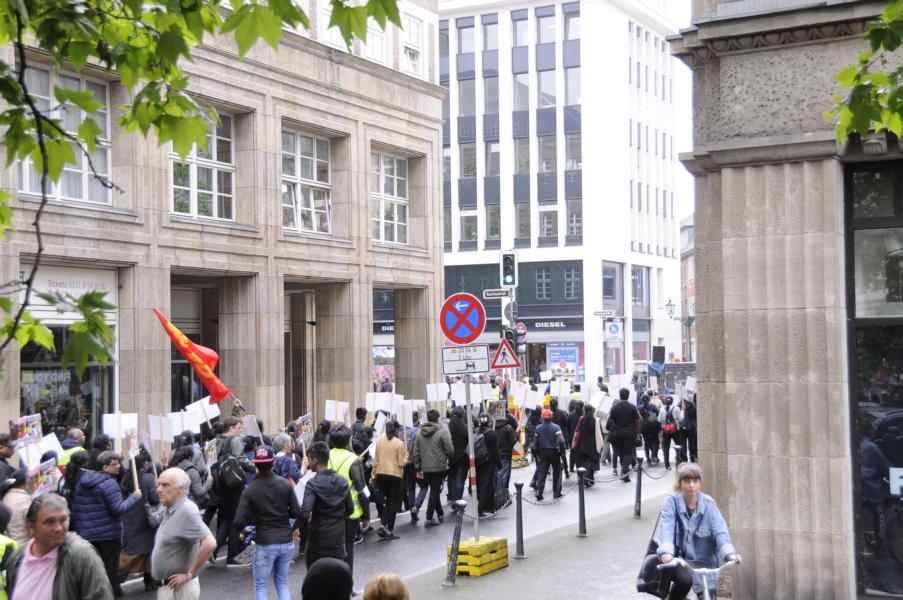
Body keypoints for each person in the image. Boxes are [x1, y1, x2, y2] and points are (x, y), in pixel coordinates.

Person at [6, 493, 112, 600]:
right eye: (49, 522)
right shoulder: (17, 558)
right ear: (31, 528)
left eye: (63, 520)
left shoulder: (82, 555)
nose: (58, 528)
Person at [657, 463, 740, 600]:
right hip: (679, 560)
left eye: (695, 481)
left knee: (709, 596)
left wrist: (729, 553)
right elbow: (667, 529)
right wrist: (666, 552)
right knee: (685, 581)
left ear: (700, 482)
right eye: (687, 481)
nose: (691, 485)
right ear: (680, 483)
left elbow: (720, 531)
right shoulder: (671, 503)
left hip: (705, 562)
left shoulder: (709, 504)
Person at [71, 450, 142, 596]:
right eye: (114, 464)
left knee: (93, 571)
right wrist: (134, 497)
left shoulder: (82, 482)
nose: (118, 466)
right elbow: (119, 508)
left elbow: (76, 509)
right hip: (108, 536)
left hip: (87, 536)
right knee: (110, 570)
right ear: (105, 467)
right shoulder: (109, 483)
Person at [234, 445, 301, 600]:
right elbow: (297, 512)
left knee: (261, 586)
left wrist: (248, 532)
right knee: (282, 582)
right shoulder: (285, 484)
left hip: (264, 542)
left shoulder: (250, 489)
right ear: (274, 463)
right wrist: (291, 527)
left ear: (255, 464)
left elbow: (238, 520)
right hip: (286, 540)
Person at [151, 468, 217, 600]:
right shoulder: (170, 508)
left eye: (165, 485)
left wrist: (189, 575)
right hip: (169, 588)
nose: (159, 489)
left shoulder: (187, 510)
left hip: (180, 590)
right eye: (158, 484)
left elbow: (210, 543)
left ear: (180, 488)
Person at [327, 426, 370, 596]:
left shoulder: (326, 456)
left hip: (329, 511)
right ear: (348, 441)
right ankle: (347, 587)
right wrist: (366, 514)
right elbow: (361, 488)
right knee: (348, 550)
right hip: (350, 513)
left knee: (331, 550)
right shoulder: (353, 460)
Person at [299, 442, 354, 568]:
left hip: (317, 541)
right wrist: (337, 517)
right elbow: (350, 509)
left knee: (315, 576)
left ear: (315, 460)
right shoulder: (342, 481)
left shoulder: (312, 484)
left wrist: (294, 528)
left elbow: (305, 513)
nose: (308, 462)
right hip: (338, 540)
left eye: (309, 459)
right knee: (336, 576)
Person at [213, 416, 257, 567]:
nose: (240, 432)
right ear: (231, 428)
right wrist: (255, 468)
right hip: (235, 484)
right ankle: (234, 556)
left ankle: (213, 549)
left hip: (222, 484)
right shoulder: (235, 440)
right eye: (239, 428)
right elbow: (241, 459)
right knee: (238, 519)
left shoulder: (216, 440)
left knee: (227, 519)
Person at [120, 452, 161, 592]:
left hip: (129, 518)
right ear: (143, 464)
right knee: (145, 550)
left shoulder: (126, 478)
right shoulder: (148, 478)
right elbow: (155, 498)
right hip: (144, 519)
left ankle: (117, 581)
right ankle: (149, 581)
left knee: (134, 550)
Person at [412, 409, 453, 527]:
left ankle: (440, 513)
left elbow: (416, 453)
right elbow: (450, 449)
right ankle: (429, 518)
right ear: (438, 418)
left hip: (425, 467)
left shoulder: (420, 433)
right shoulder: (442, 432)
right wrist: (449, 459)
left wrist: (418, 467)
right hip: (439, 466)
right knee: (434, 490)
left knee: (434, 489)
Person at [370, 421, 408, 541]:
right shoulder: (399, 443)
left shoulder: (379, 441)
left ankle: (382, 526)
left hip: (381, 475)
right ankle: (389, 530)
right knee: (393, 503)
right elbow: (401, 463)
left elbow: (375, 461)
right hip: (394, 476)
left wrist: (373, 477)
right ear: (396, 430)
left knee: (387, 502)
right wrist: (406, 457)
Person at [609, 388, 641, 482]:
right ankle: (624, 471)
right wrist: (637, 433)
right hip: (630, 433)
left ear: (620, 396)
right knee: (627, 453)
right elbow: (637, 421)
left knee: (621, 453)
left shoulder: (614, 408)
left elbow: (611, 421)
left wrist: (614, 431)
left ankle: (624, 472)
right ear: (628, 395)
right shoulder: (632, 407)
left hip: (618, 433)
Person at [533, 409, 565, 501]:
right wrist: (562, 452)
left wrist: (537, 453)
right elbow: (561, 441)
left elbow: (535, 442)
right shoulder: (556, 427)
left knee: (542, 472)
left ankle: (539, 492)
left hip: (542, 452)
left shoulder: (538, 428)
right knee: (557, 472)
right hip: (554, 452)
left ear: (542, 417)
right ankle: (556, 492)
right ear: (551, 417)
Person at [574, 404, 603, 486]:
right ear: (593, 411)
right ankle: (585, 480)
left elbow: (577, 431)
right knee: (590, 464)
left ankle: (589, 479)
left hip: (582, 445)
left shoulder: (581, 419)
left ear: (584, 410)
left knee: (584, 464)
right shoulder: (596, 421)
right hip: (593, 446)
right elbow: (600, 433)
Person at [475, 414, 498, 517]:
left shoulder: (475, 432)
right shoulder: (492, 434)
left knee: (480, 484)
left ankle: (490, 506)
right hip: (489, 463)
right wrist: (500, 466)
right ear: (488, 422)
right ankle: (481, 509)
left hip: (477, 462)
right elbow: (495, 451)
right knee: (486, 486)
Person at [0, 471, 30, 545]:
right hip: (22, 545)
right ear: (26, 483)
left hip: (8, 543)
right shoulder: (26, 500)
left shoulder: (5, 496)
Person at [446, 407, 469, 503]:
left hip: (451, 455)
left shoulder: (447, 427)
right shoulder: (465, 428)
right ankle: (458, 499)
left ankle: (451, 496)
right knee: (460, 479)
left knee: (452, 478)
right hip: (462, 456)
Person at [659, 396, 684, 471]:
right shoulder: (676, 408)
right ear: (672, 401)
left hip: (665, 431)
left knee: (666, 448)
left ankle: (667, 465)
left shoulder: (662, 409)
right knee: (678, 446)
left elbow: (659, 419)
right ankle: (679, 462)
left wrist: (664, 422)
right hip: (675, 430)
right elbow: (681, 419)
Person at [495, 414, 517, 491]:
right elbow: (513, 442)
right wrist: (517, 435)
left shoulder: (493, 428)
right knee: (504, 476)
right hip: (505, 454)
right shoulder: (508, 428)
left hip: (496, 455)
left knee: (498, 475)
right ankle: (502, 493)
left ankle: (499, 491)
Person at [640, 395, 662, 465]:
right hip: (653, 427)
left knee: (646, 443)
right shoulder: (653, 407)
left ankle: (648, 458)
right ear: (649, 400)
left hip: (644, 428)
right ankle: (654, 455)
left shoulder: (639, 408)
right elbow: (659, 414)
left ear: (641, 400)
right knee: (655, 442)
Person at [567, 400, 584, 473]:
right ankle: (579, 467)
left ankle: (571, 467)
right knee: (580, 453)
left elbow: (568, 427)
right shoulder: (584, 414)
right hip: (581, 437)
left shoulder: (570, 415)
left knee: (572, 452)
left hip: (572, 437)